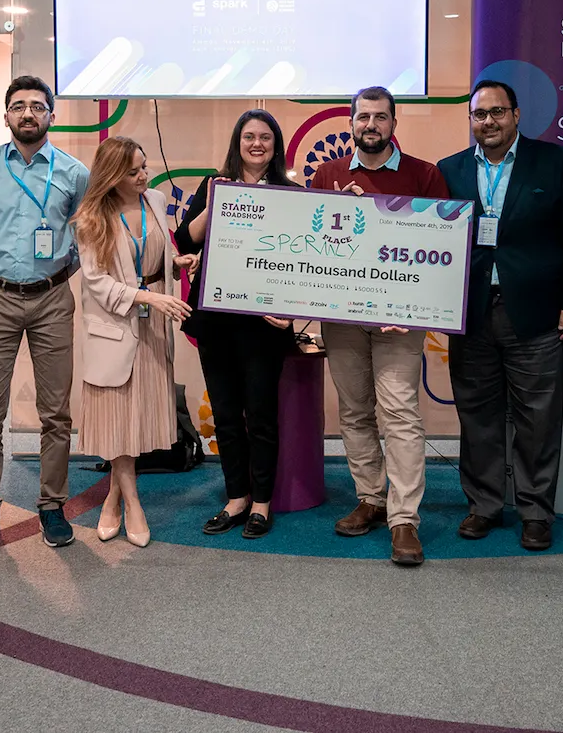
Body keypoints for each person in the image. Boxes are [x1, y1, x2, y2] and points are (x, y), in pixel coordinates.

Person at [436, 80, 563, 553]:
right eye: (479, 114)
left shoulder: (555, 162)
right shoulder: (450, 170)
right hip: (471, 312)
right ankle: (483, 505)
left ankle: (535, 512)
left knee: (537, 418)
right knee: (477, 415)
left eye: (498, 112)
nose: (489, 121)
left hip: (537, 311)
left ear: (516, 115)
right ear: (471, 120)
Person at [310, 86, 449, 566]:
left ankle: (404, 518)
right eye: (363, 117)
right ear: (351, 123)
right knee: (354, 411)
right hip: (343, 318)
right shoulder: (327, 175)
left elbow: (441, 248)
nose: (371, 125)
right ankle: (370, 497)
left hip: (398, 322)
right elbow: (313, 246)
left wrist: (409, 307)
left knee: (400, 414)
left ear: (394, 122)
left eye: (380, 117)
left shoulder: (425, 175)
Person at [0, 76, 90, 550]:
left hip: (53, 298)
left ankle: (52, 505)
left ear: (51, 115)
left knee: (56, 413)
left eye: (37, 106)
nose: (27, 113)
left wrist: (59, 271)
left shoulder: (74, 173)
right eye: (18, 106)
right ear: (6, 115)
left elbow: (86, 237)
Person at [174, 110, 298, 540]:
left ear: (276, 145)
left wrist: (291, 309)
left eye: (265, 137)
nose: (257, 144)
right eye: (249, 136)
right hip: (216, 320)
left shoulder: (291, 194)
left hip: (264, 324)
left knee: (260, 415)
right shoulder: (214, 184)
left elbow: (303, 261)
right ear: (237, 142)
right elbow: (185, 239)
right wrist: (217, 204)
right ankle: (236, 498)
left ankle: (261, 502)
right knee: (226, 414)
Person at [72, 136, 194, 548]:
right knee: (117, 419)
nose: (144, 175)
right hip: (115, 325)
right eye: (133, 171)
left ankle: (112, 497)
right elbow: (98, 283)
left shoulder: (155, 201)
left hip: (152, 326)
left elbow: (155, 255)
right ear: (111, 176)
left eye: (144, 166)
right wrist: (149, 298)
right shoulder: (91, 218)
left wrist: (176, 263)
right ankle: (134, 503)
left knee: (136, 418)